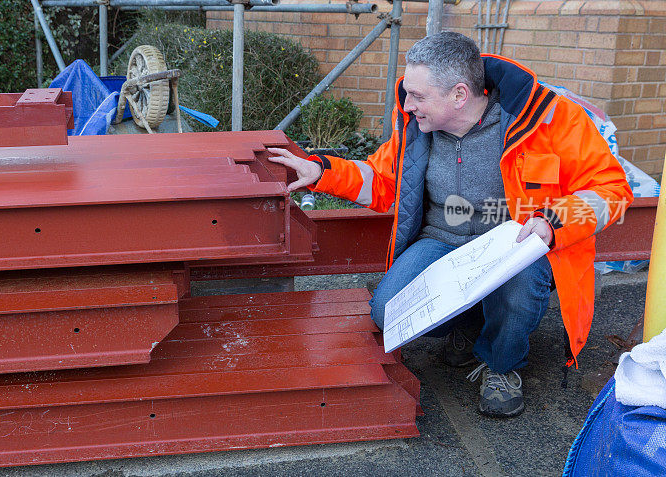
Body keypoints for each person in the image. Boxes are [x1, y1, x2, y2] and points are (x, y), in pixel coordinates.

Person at [268, 32, 632, 418]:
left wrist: (552, 223)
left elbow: (611, 190)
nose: (408, 104)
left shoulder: (552, 118)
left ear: (459, 95)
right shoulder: (414, 124)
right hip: (442, 238)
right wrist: (319, 170)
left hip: (518, 243)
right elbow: (383, 179)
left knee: (518, 292)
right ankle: (471, 321)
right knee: (388, 312)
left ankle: (502, 365)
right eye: (408, 93)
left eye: (418, 96)